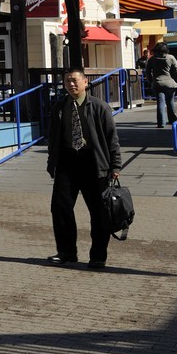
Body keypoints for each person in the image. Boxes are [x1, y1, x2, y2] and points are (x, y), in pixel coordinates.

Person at [46, 68, 123, 268]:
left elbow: (111, 138)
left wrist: (115, 165)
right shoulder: (59, 107)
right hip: (67, 163)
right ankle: (66, 252)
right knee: (60, 208)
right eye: (67, 81)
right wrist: (51, 161)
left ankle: (98, 256)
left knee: (98, 213)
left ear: (85, 82)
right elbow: (53, 137)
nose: (71, 84)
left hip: (94, 164)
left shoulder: (99, 107)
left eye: (75, 80)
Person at [147, 41, 177, 128]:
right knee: (170, 102)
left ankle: (161, 122)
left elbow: (148, 72)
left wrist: (151, 82)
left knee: (160, 103)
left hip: (157, 83)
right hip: (170, 83)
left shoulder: (152, 59)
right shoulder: (171, 58)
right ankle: (172, 120)